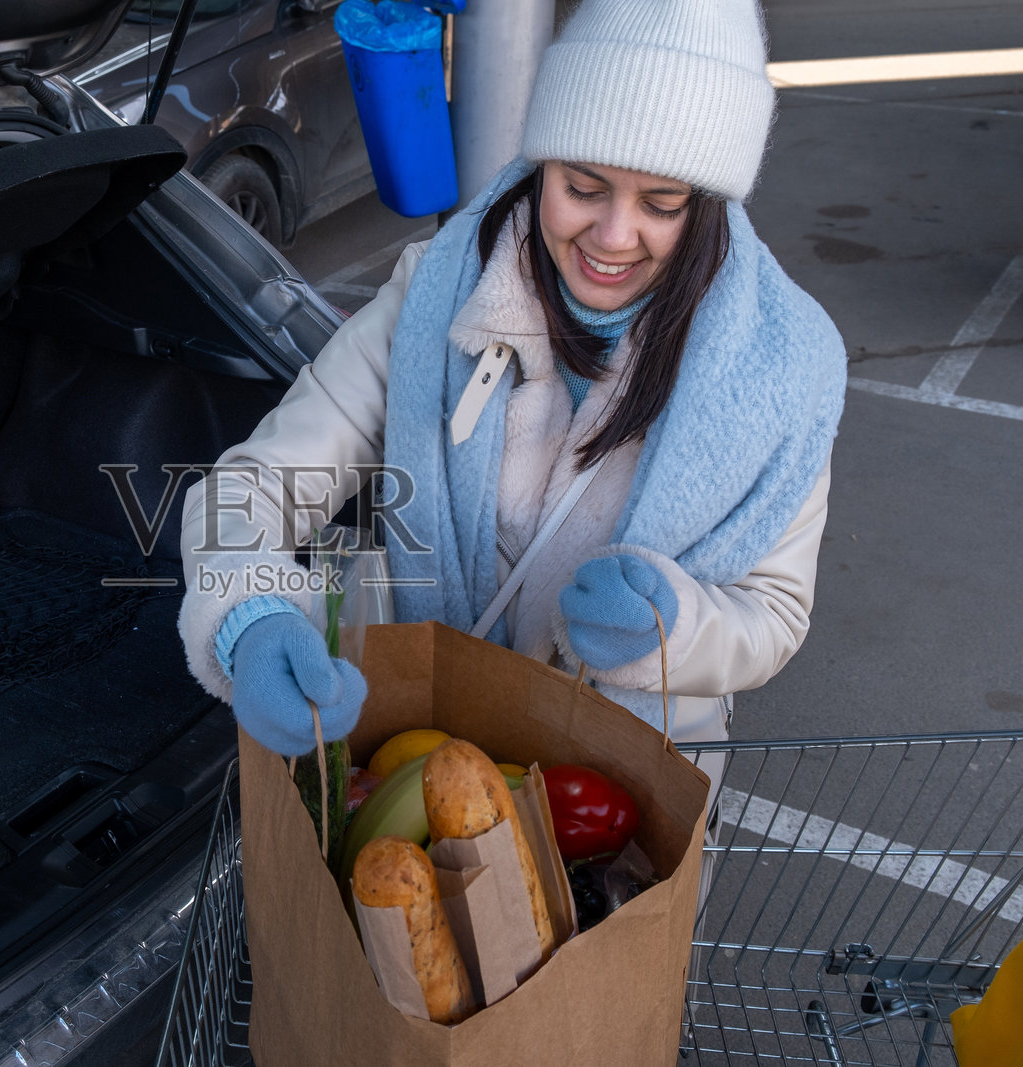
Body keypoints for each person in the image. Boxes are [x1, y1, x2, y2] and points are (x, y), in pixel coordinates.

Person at [175, 0, 847, 765]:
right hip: (418, 735)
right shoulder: (434, 295)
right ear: (541, 164)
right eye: (583, 186)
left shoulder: (784, 369)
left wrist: (673, 629)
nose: (613, 237)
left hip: (619, 779)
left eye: (661, 203)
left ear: (706, 205)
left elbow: (773, 610)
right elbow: (255, 485)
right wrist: (247, 613)